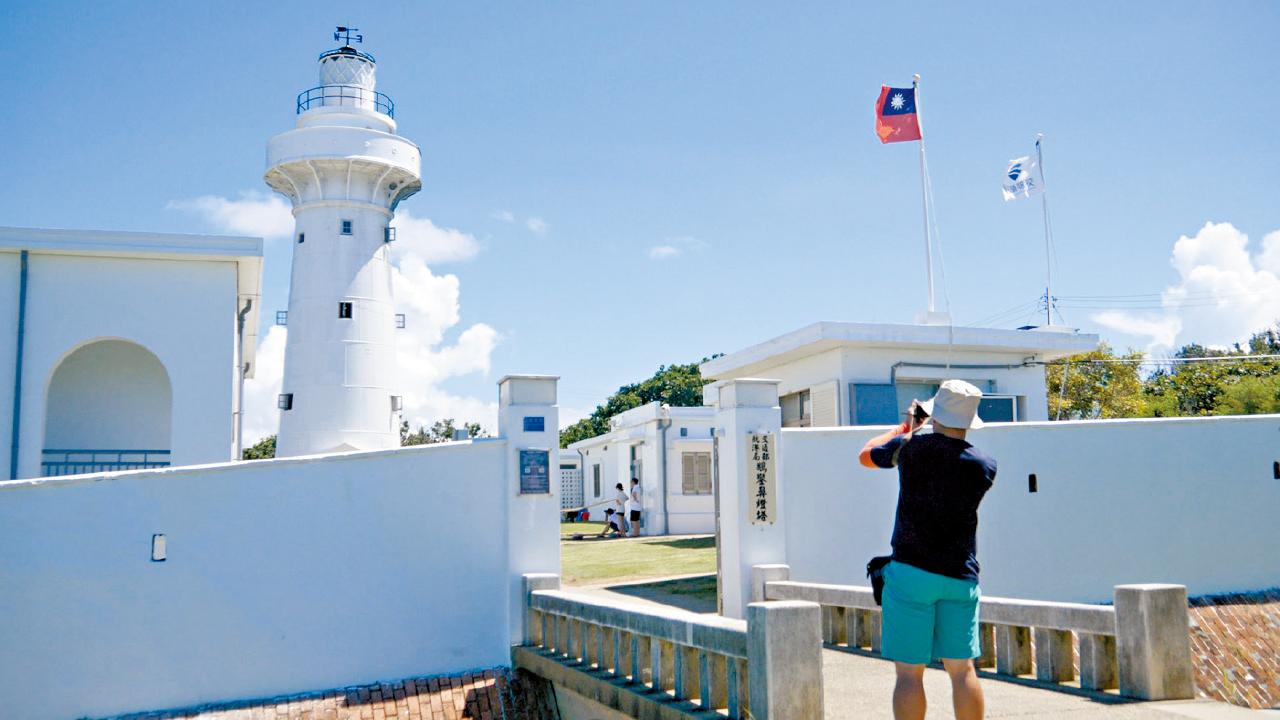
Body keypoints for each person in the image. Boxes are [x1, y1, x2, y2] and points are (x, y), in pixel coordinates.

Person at [859, 380, 997, 720]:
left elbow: (866, 455)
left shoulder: (911, 449)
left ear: (936, 414)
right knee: (963, 670)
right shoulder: (984, 466)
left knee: (909, 673)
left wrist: (907, 426)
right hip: (960, 576)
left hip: (911, 572)